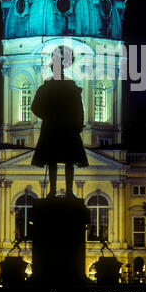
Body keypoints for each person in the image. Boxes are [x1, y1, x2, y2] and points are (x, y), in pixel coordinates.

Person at [31, 46, 88, 198]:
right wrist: (77, 124)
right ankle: (64, 191)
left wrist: (48, 117)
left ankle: (57, 191)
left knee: (55, 160)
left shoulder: (47, 88)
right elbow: (79, 108)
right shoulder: (68, 87)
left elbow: (35, 108)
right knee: (63, 161)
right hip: (67, 128)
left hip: (54, 128)